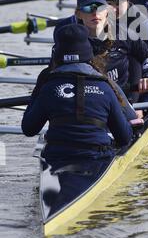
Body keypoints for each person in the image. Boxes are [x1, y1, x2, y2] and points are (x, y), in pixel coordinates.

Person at [22, 24, 134, 167]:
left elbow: (28, 129)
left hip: (58, 158)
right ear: (88, 53)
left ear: (57, 54)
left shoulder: (49, 86)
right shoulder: (105, 86)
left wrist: (40, 85)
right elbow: (124, 138)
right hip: (96, 158)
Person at [53, 0, 148, 108]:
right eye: (88, 8)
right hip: (83, 104)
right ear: (78, 14)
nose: (95, 13)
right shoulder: (68, 40)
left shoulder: (123, 34)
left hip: (119, 102)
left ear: (107, 11)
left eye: (99, 7)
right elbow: (51, 76)